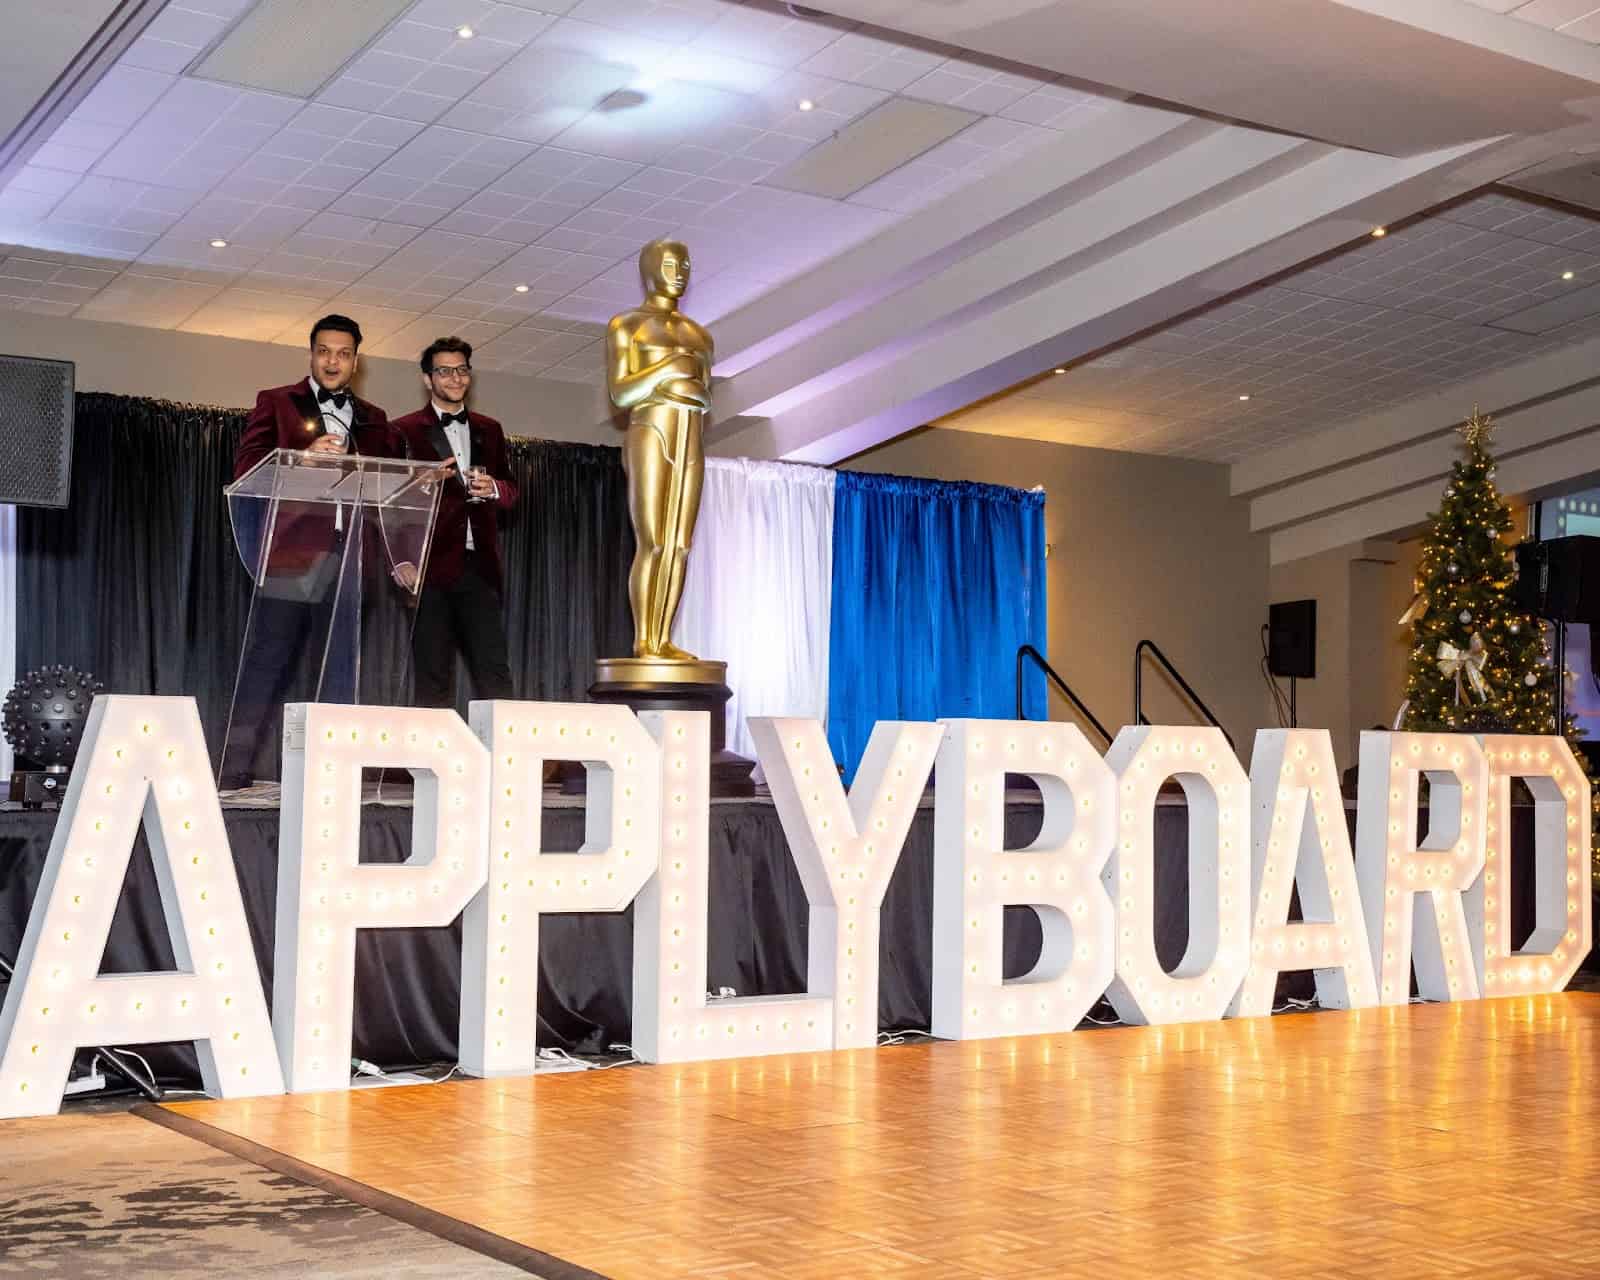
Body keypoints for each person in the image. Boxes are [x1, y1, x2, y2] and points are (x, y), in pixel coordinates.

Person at [221, 314, 400, 788]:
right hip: (292, 556)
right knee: (267, 662)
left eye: (343, 353)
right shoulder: (277, 403)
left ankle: (334, 773)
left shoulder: (375, 418)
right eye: (324, 351)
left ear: (356, 361)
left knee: (342, 667)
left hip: (352, 560)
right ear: (311, 354)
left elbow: (388, 484)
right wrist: (302, 458)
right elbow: (246, 470)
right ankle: (232, 773)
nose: (333, 361)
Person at [389, 336, 519, 708]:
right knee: (432, 676)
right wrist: (400, 558)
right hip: (428, 568)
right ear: (428, 379)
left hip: (480, 569)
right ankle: (430, 764)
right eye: (444, 371)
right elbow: (387, 503)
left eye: (462, 370)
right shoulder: (403, 430)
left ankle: (505, 760)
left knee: (494, 672)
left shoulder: (490, 429)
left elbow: (512, 491)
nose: (455, 378)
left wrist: (494, 487)